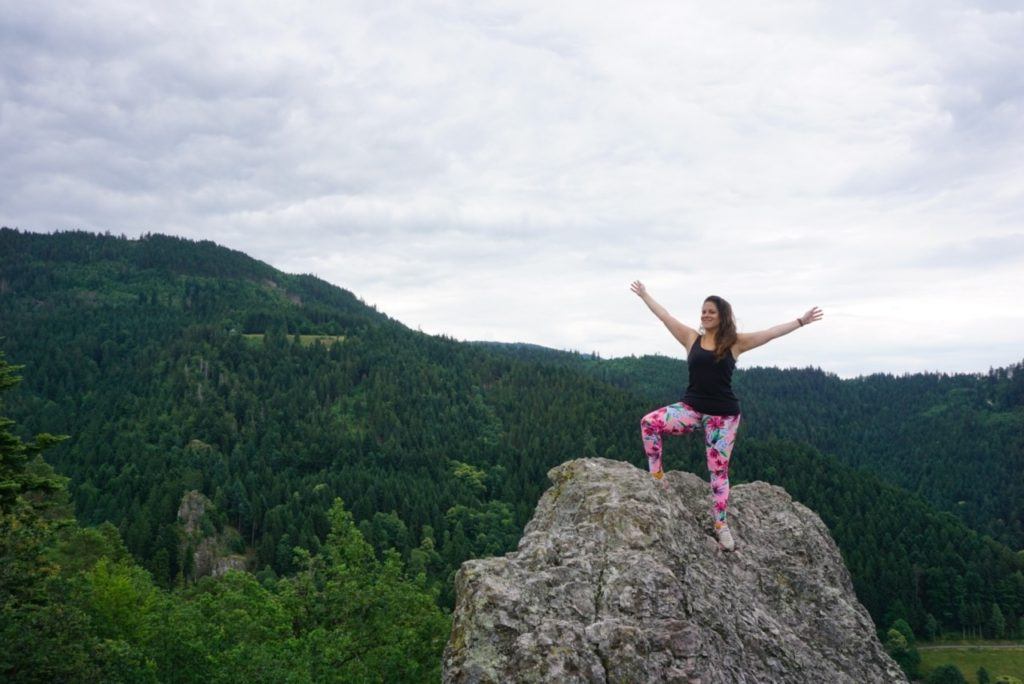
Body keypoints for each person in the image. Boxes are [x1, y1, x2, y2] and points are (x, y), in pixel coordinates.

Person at [630, 281, 823, 551]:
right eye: (703, 311)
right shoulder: (690, 338)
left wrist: (800, 321)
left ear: (722, 316)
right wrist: (645, 295)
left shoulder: (734, 343)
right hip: (692, 409)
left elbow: (770, 333)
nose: (705, 315)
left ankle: (721, 525)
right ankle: (657, 478)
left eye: (711, 312)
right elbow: (665, 316)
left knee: (718, 472)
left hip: (723, 417)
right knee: (649, 422)